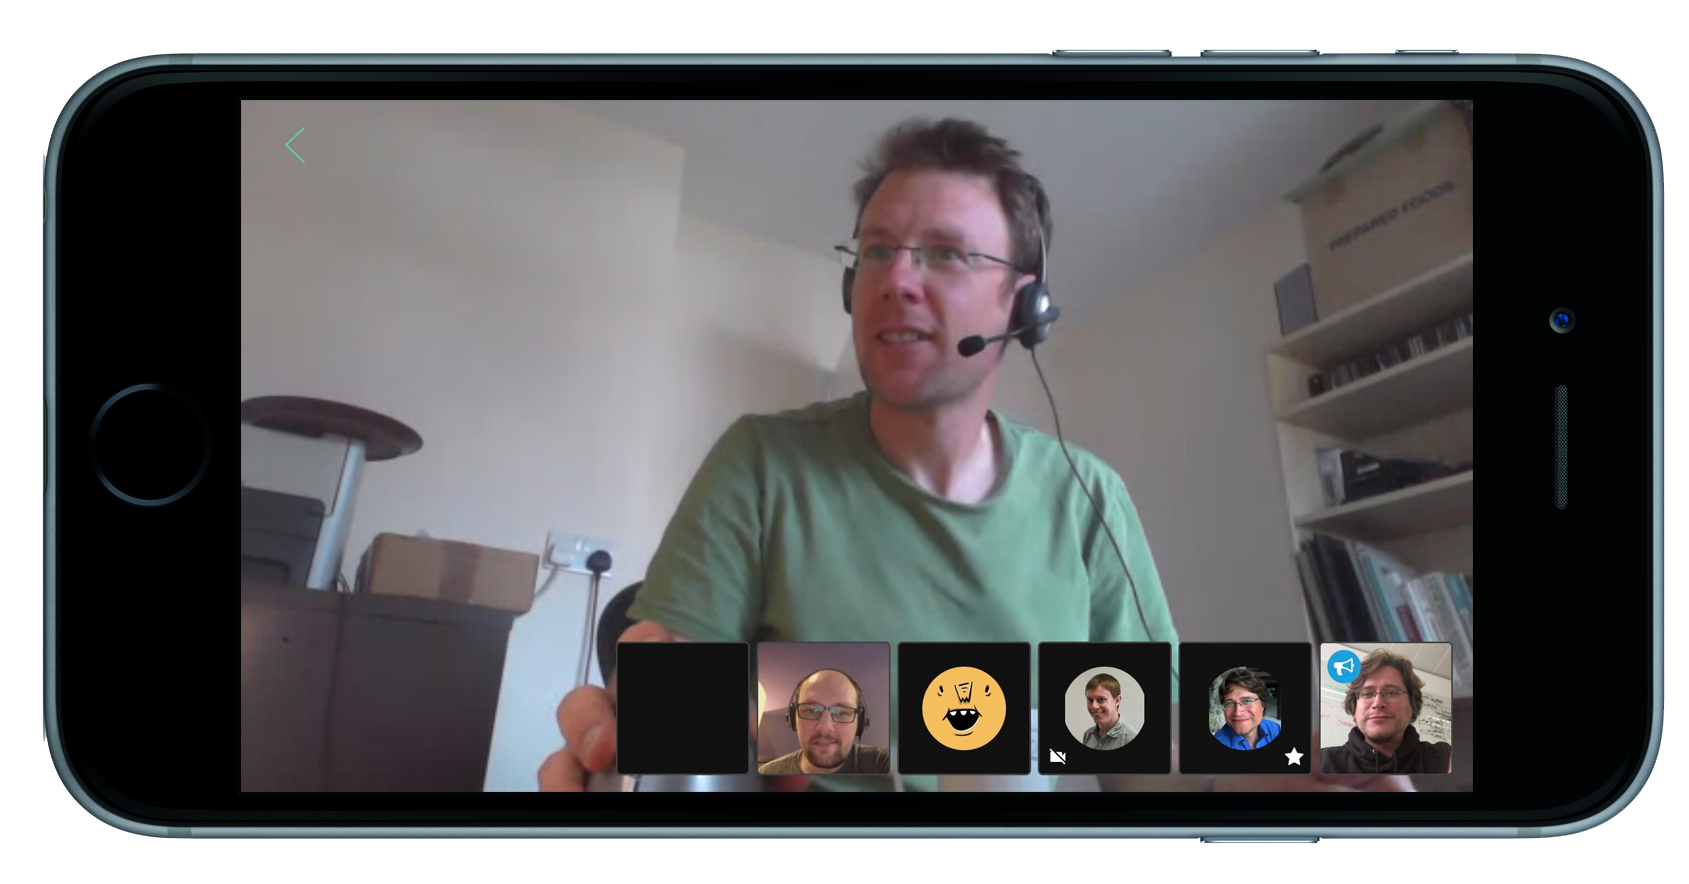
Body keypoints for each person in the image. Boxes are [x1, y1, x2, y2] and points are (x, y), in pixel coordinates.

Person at [538, 117, 1406, 795]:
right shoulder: (761, 462)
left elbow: (1152, 741)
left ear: (1023, 307)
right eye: (876, 250)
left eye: (947, 253)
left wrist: (1304, 767)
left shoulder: (1088, 495)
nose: (895, 278)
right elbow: (671, 707)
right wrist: (648, 720)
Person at [1319, 649, 1454, 774]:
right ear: (1355, 707)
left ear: (1412, 704)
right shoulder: (1320, 762)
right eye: (1367, 694)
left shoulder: (1445, 758)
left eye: (1391, 692)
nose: (1378, 703)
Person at [759, 669, 891, 775]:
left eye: (841, 713)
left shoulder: (884, 764)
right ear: (793, 719)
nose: (824, 728)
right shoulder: (767, 774)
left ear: (860, 722)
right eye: (811, 710)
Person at [1212, 668, 1280, 751]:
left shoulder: (1274, 729)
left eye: (1247, 701)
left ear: (1262, 704)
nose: (1237, 712)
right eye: (1230, 703)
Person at [1080, 673, 1137, 750]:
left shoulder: (1131, 738)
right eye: (1090, 700)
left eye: (1101, 699)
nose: (1094, 706)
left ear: (1117, 700)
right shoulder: (1088, 735)